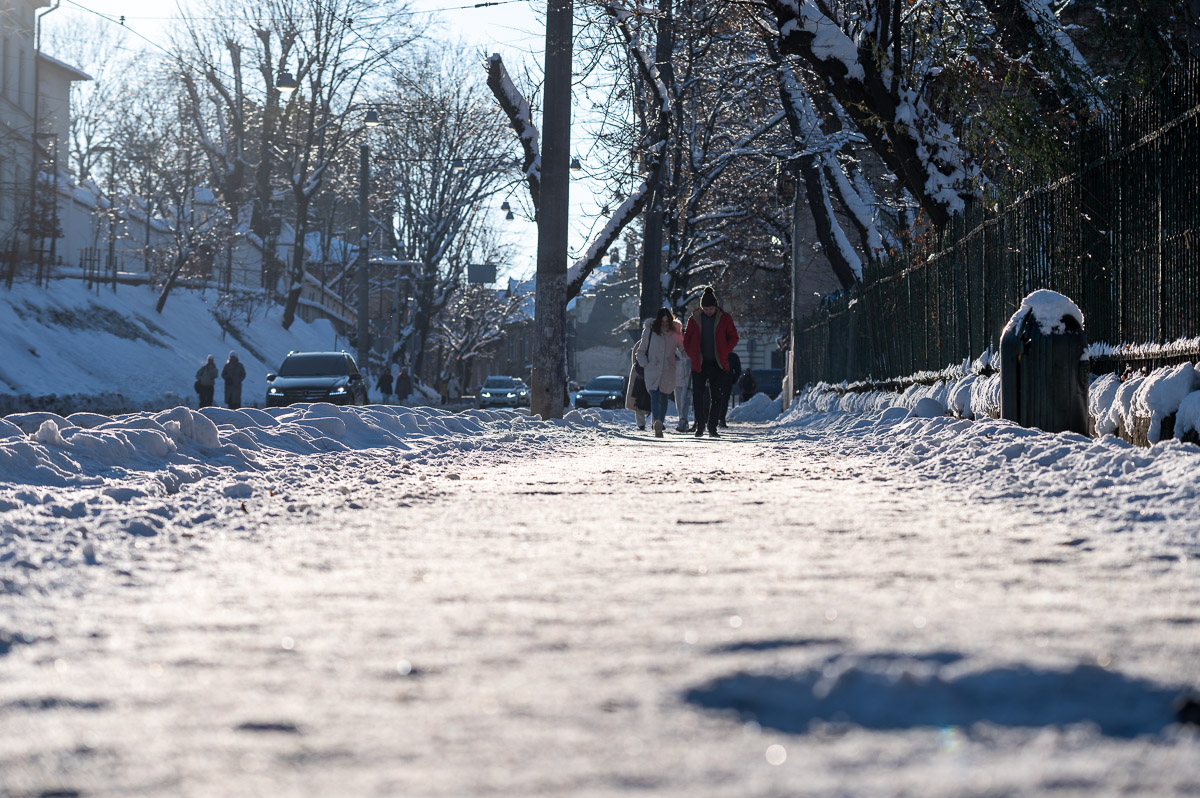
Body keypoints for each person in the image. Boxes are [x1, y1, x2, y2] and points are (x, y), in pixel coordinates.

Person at [682, 285, 739, 438]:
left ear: (715, 307)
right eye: (706, 309)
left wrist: (725, 350)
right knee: (698, 395)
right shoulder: (694, 319)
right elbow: (687, 338)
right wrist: (691, 353)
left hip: (718, 363)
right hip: (699, 362)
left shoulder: (725, 318)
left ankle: (712, 427)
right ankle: (700, 425)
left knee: (717, 396)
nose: (708, 311)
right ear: (702, 307)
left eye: (711, 309)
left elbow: (734, 337)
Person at [635, 307, 687, 438]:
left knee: (664, 397)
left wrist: (690, 354)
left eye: (666, 321)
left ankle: (659, 422)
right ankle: (657, 421)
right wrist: (646, 364)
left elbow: (682, 348)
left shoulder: (675, 332)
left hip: (668, 370)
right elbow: (640, 351)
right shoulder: (650, 331)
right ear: (658, 321)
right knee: (654, 395)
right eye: (662, 322)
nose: (664, 324)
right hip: (652, 369)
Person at [625, 339, 651, 430]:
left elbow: (633, 361)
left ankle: (642, 424)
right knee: (645, 399)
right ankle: (654, 422)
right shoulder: (641, 343)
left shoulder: (639, 343)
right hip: (645, 375)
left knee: (639, 400)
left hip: (639, 375)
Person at [720, 350, 742, 425]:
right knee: (724, 400)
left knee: (715, 399)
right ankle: (721, 419)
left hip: (717, 380)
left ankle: (715, 418)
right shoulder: (733, 356)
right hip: (727, 381)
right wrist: (733, 380)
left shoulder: (717, 353)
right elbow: (738, 370)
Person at [674, 347, 692, 433]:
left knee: (684, 401)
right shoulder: (673, 346)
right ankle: (682, 420)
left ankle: (683, 421)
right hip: (676, 379)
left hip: (687, 380)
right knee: (679, 403)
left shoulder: (690, 345)